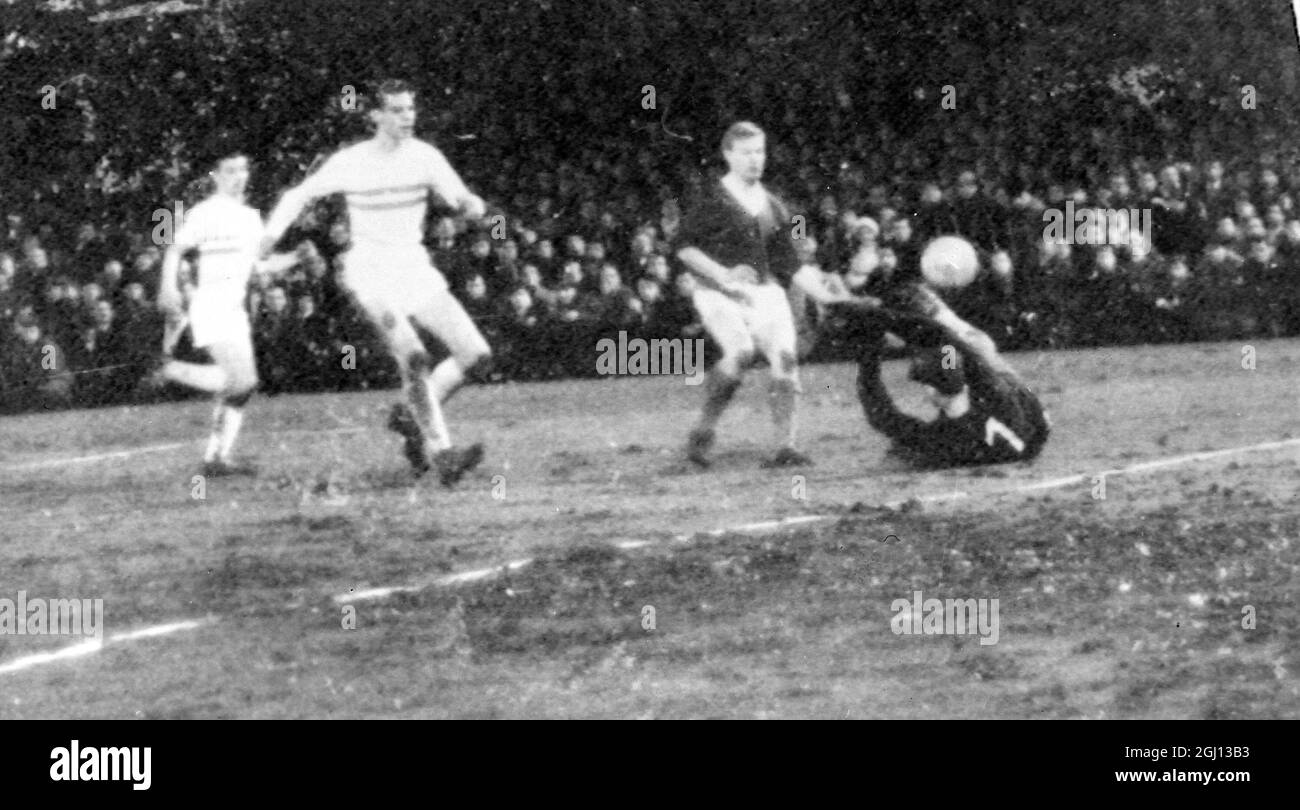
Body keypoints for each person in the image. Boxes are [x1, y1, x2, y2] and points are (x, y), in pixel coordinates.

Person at [259, 79, 491, 485]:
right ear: (375, 116)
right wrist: (269, 236)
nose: (408, 117)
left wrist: (473, 205)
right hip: (369, 272)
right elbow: (298, 196)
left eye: (411, 109)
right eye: (398, 110)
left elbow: (460, 196)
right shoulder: (352, 161)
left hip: (413, 270)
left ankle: (412, 416)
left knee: (475, 355)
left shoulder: (425, 156)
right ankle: (442, 454)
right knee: (414, 356)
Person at [675, 121, 856, 468]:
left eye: (759, 151)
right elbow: (685, 249)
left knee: (786, 360)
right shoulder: (712, 199)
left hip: (765, 291)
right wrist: (722, 273)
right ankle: (704, 428)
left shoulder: (775, 206)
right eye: (746, 153)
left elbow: (791, 264)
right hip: (718, 292)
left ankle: (784, 447)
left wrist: (826, 295)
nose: (755, 159)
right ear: (728, 155)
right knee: (741, 352)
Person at [155, 145, 298, 476]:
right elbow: (175, 249)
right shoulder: (205, 212)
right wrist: (168, 286)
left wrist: (294, 258)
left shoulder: (250, 217)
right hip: (212, 306)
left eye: (243, 170)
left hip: (235, 310)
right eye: (230, 171)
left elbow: (261, 266)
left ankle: (215, 458)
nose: (238, 177)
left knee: (243, 387)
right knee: (242, 381)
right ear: (216, 176)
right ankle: (171, 370)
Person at [842, 282, 1050, 468]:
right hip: (1021, 428)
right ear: (966, 385)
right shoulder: (991, 393)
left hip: (1019, 434)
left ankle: (929, 312)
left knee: (976, 347)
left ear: (931, 392)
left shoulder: (940, 439)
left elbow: (881, 414)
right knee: (978, 345)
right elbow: (945, 339)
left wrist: (868, 357)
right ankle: (934, 312)